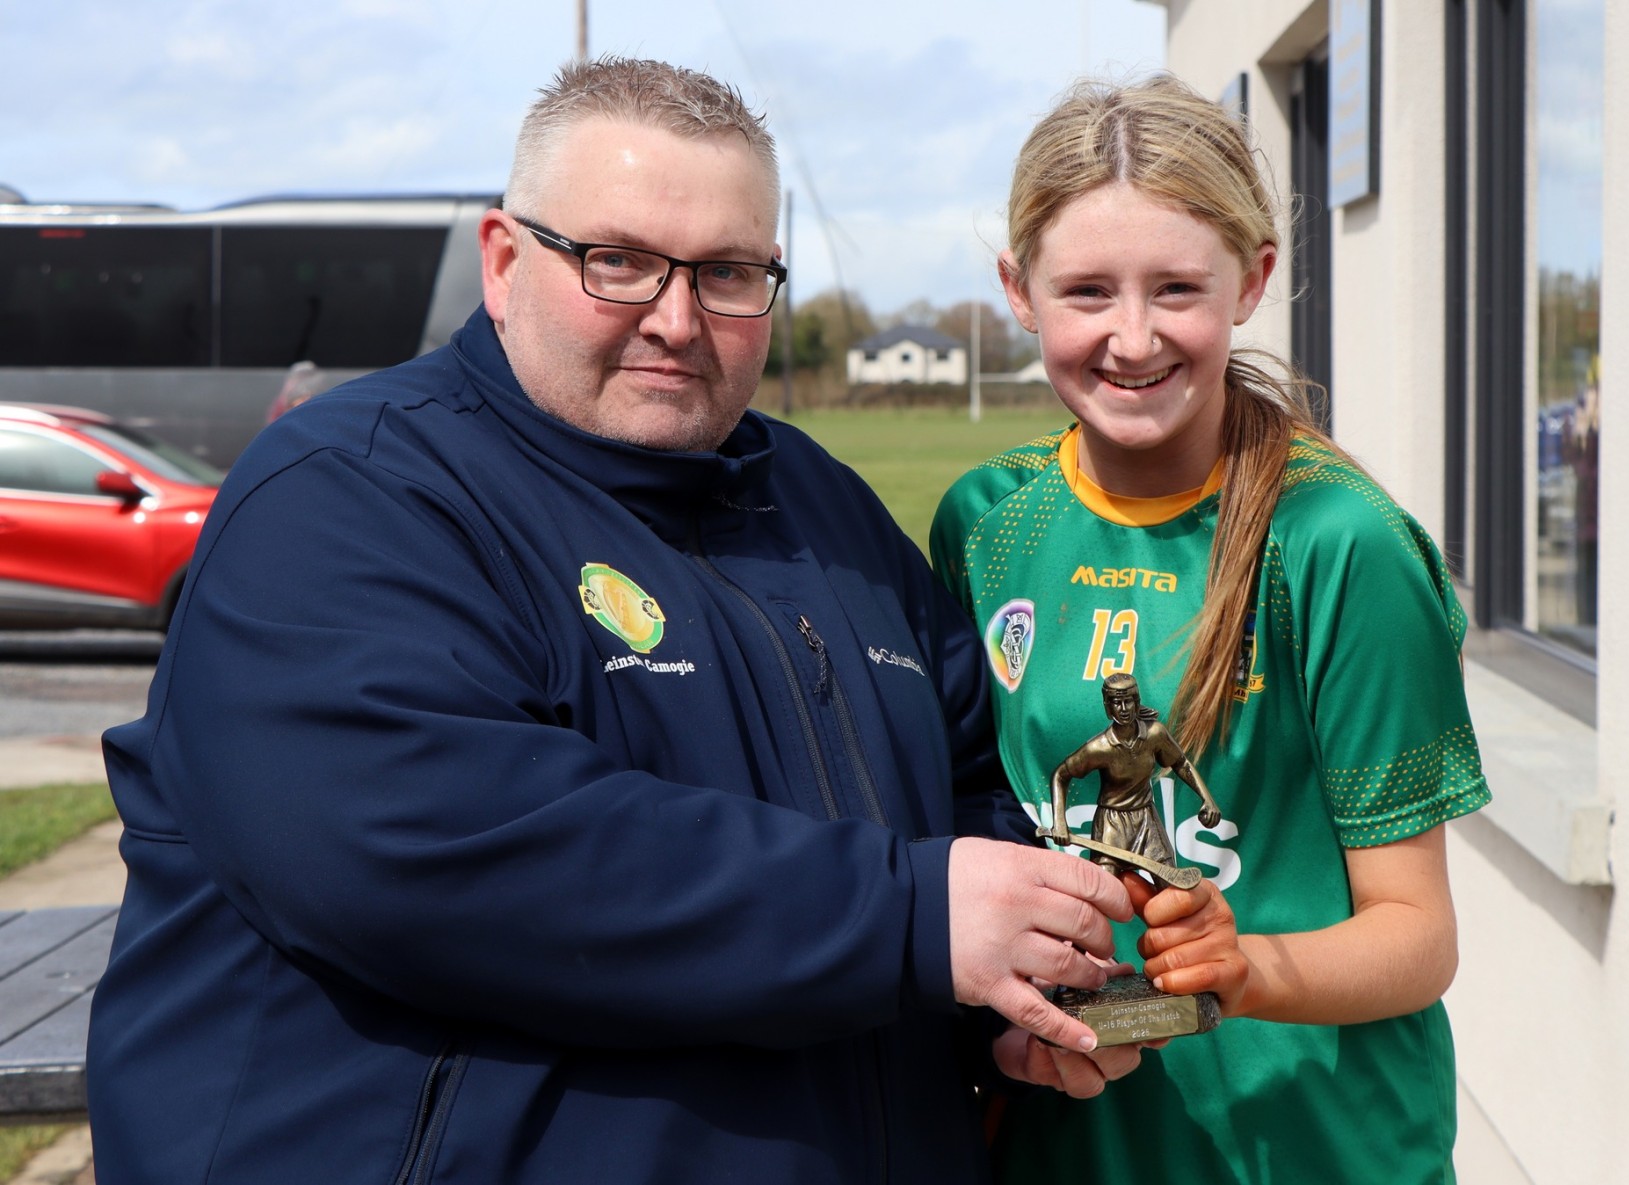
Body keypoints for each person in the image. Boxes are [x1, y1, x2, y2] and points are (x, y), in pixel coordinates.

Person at [87, 57, 1144, 1185]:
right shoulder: (351, 493)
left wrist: (1012, 991)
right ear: (505, 262)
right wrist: (913, 920)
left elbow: (971, 781)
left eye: (729, 272)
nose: (677, 320)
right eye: (620, 262)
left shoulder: (826, 510)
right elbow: (437, 851)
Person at [930, 74, 1492, 1184]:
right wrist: (1008, 1038)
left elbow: (1418, 935)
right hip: (1075, 1150)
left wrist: (1248, 970)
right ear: (1019, 291)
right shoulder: (986, 521)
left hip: (1317, 1154)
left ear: (1254, 279)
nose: (1133, 336)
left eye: (1177, 288)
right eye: (1088, 290)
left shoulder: (1338, 541)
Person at [1043, 674, 1222, 882]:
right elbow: (1061, 775)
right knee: (1105, 890)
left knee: (1170, 885)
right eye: (1116, 703)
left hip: (1146, 819)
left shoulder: (1155, 734)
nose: (1123, 708)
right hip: (1111, 825)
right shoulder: (1099, 748)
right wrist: (1059, 822)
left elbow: (1181, 763)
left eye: (1128, 701)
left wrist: (1207, 799)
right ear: (1108, 707)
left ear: (1137, 702)